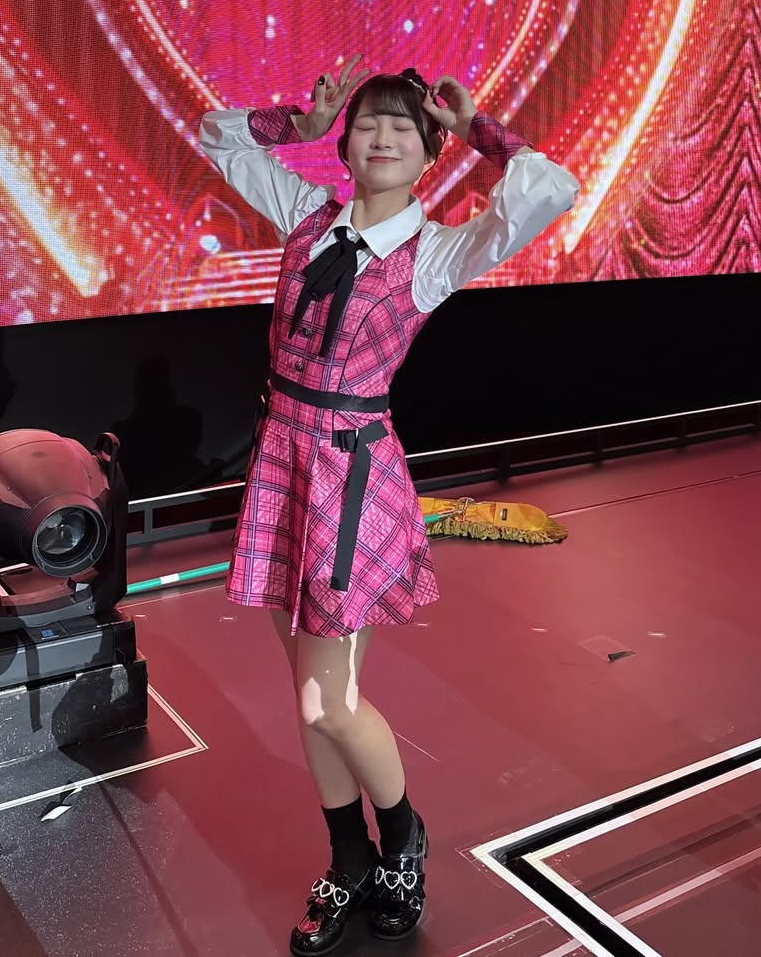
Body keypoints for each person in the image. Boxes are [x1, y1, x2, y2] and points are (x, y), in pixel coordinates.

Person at [198, 57, 579, 953]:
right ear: (345, 141)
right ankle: (350, 857)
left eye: (403, 126)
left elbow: (551, 188)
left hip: (350, 476)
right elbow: (218, 136)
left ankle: (403, 841)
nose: (381, 136)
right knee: (310, 698)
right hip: (282, 461)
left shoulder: (433, 253)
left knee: (327, 702)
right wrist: (298, 120)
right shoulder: (309, 218)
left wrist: (483, 130)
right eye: (367, 121)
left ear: (429, 149)